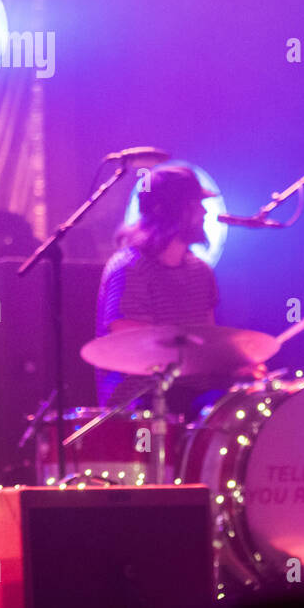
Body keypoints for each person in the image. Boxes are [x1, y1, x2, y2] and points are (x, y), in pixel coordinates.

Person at [95, 165, 221, 421]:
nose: (205, 211)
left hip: (193, 395)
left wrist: (240, 361)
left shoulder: (201, 272)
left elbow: (209, 340)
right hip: (140, 403)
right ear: (173, 210)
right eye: (196, 203)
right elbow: (131, 343)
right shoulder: (130, 267)